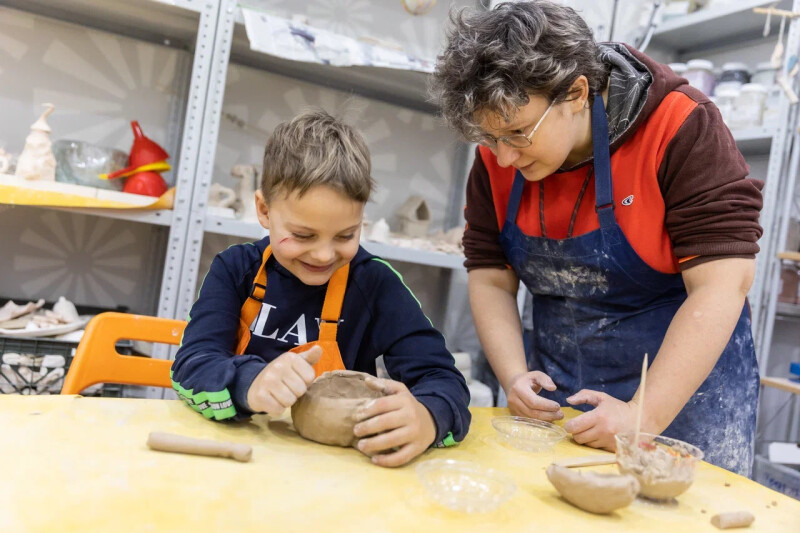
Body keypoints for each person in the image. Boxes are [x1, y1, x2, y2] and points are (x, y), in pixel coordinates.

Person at [431, 1, 762, 475]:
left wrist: (641, 415)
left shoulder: (680, 126)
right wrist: (514, 375)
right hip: (563, 389)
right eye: (489, 138)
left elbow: (722, 284)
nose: (503, 157)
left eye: (518, 133)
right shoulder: (500, 155)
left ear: (576, 93)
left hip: (683, 401)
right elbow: (489, 275)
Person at [171, 110, 470, 467]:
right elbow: (192, 365)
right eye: (302, 235)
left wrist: (428, 418)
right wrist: (249, 383)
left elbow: (444, 380)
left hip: (337, 471)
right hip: (234, 458)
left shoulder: (376, 285)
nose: (325, 254)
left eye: (346, 235)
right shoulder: (235, 271)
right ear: (264, 210)